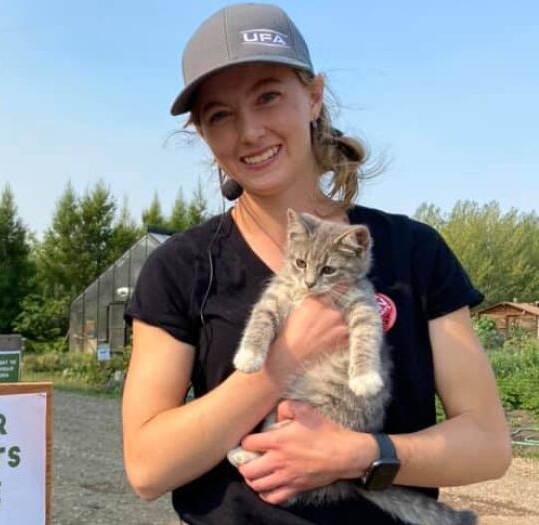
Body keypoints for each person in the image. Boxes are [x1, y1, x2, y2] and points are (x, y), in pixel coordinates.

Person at [121, 3, 512, 525]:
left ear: (314, 97)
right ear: (202, 134)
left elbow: (487, 443)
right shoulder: (180, 268)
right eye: (221, 115)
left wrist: (359, 455)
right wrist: (281, 360)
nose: (251, 132)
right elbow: (147, 467)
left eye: (269, 97)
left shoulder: (414, 252)